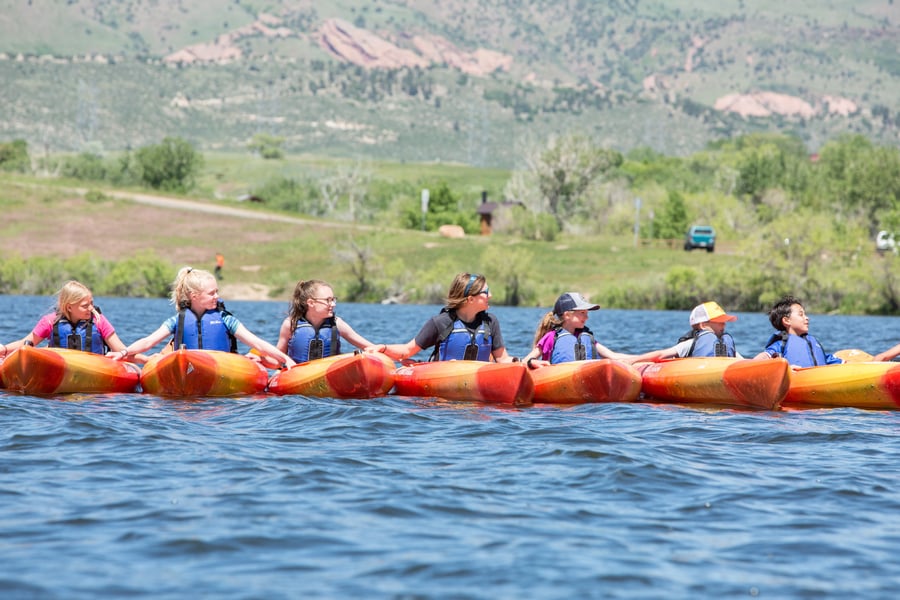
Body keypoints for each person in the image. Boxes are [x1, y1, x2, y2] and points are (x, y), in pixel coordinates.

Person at [115, 267, 295, 367]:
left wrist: (284, 359)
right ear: (194, 296)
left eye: (217, 291)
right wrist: (124, 353)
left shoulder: (226, 319)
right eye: (211, 293)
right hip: (187, 367)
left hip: (223, 367)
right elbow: (148, 342)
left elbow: (257, 343)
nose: (217, 296)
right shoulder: (178, 320)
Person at [369, 273, 515, 363]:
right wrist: (384, 348)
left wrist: (524, 363)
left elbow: (503, 359)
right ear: (470, 299)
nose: (490, 296)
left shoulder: (490, 322)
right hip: (445, 394)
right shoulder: (440, 322)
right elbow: (407, 351)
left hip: (478, 384)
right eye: (486, 292)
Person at [0, 280, 136, 361]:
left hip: (97, 367)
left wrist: (146, 360)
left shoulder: (99, 320)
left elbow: (122, 350)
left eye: (91, 303)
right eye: (85, 306)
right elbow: (26, 343)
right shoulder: (49, 321)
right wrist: (4, 349)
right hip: (59, 365)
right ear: (69, 307)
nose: (91, 308)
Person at [520, 292, 636, 369]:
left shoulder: (587, 337)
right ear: (567, 315)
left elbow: (613, 356)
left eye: (587, 313)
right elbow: (526, 361)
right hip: (559, 378)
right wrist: (532, 362)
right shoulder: (551, 336)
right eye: (582, 313)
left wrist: (643, 359)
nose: (587, 317)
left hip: (586, 377)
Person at [276, 279, 379, 363]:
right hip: (297, 376)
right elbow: (277, 358)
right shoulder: (290, 324)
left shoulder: (337, 324)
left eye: (333, 299)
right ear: (311, 303)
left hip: (329, 374)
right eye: (328, 300)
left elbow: (369, 347)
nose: (333, 304)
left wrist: (383, 353)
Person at [630, 301, 743, 362]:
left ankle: (616, 356)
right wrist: (633, 361)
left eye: (724, 321)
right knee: (624, 358)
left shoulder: (725, 343)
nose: (724, 324)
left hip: (720, 373)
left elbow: (744, 362)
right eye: (719, 321)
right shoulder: (691, 343)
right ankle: (619, 357)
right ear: (703, 325)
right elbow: (662, 354)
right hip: (693, 372)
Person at [754, 295, 842, 367]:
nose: (807, 318)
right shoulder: (780, 344)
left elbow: (826, 359)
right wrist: (785, 370)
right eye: (801, 314)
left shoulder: (812, 342)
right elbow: (762, 358)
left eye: (805, 314)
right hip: (795, 379)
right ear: (787, 321)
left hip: (819, 379)